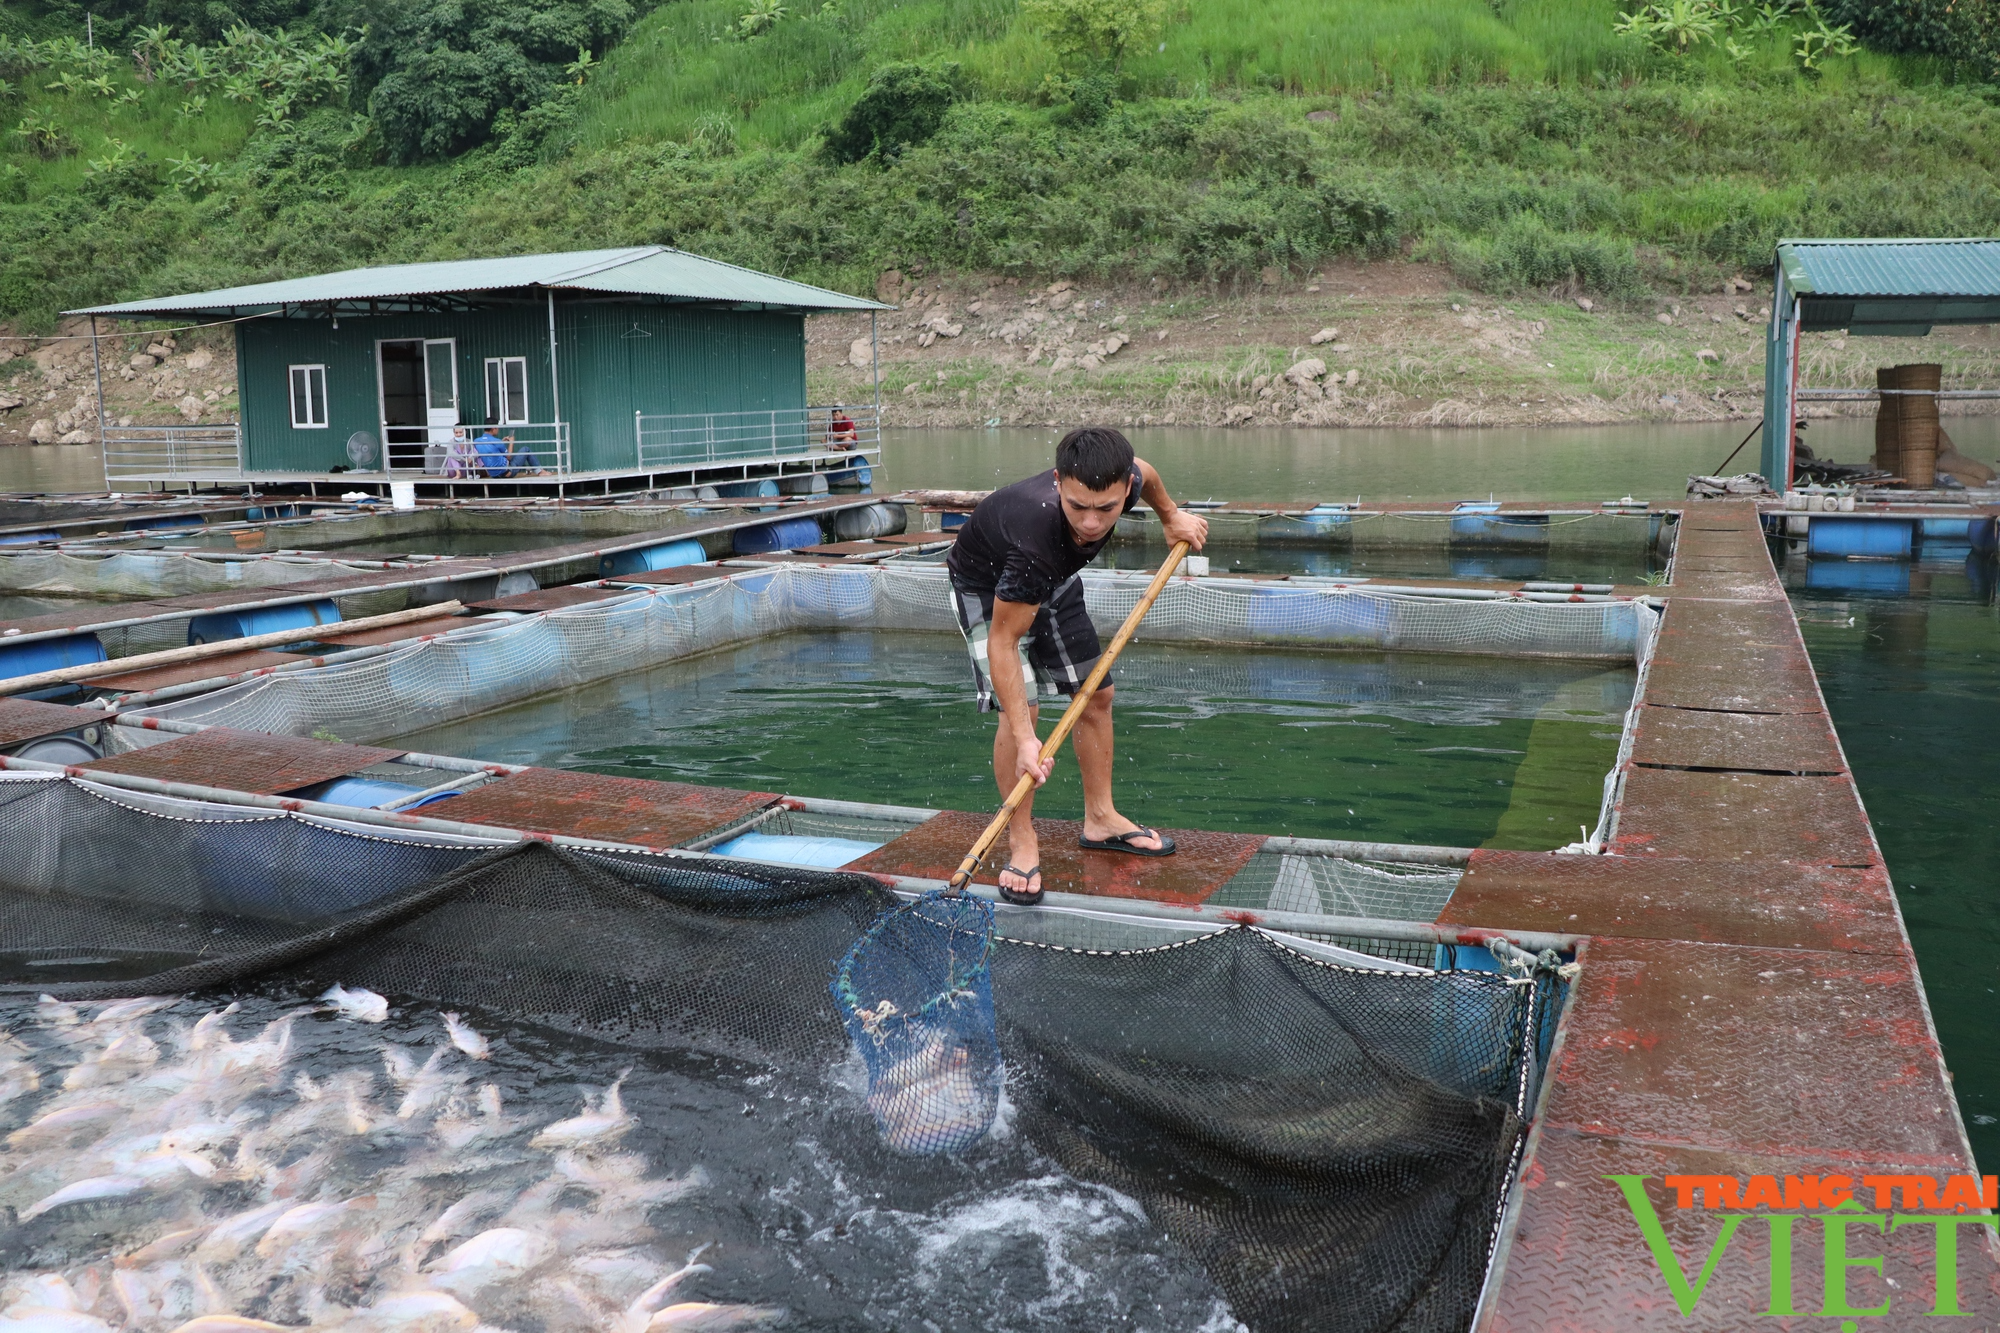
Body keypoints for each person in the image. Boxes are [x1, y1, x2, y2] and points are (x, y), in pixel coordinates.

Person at [944, 426, 1208, 905]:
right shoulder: (1034, 537)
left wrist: (1171, 516)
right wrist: (1027, 741)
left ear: (1121, 491)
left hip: (1053, 580)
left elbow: (1145, 472)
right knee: (1021, 707)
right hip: (987, 588)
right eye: (1077, 507)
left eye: (1105, 509)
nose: (1090, 523)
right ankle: (1021, 838)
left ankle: (1101, 818)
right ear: (1059, 482)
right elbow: (1004, 642)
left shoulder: (1124, 482)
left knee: (1096, 694)